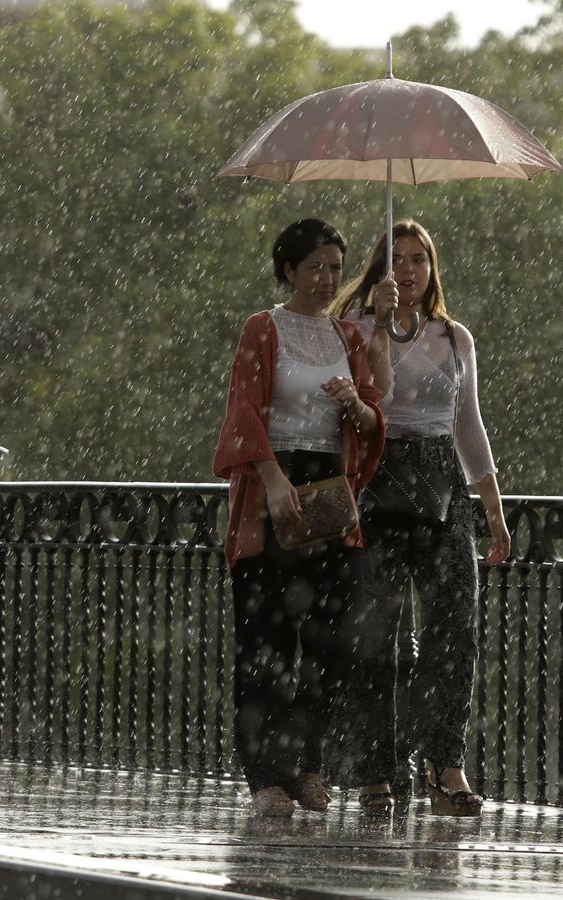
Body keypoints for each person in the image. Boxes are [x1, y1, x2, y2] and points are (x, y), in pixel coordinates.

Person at [331, 219, 512, 817]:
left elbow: (469, 425)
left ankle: (444, 765)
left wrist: (492, 507)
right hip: (378, 479)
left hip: (442, 487)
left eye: (418, 260)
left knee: (453, 632)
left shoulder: (455, 338)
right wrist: (377, 324)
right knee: (375, 636)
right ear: (380, 267)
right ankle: (377, 771)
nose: (408, 270)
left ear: (432, 269)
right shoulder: (354, 328)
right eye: (397, 259)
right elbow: (368, 400)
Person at [212, 218, 389, 817]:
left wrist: (355, 405)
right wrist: (271, 478)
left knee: (329, 643)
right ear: (288, 269)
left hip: (330, 497)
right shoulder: (263, 329)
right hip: (273, 489)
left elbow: (369, 427)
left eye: (336, 267)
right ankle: (266, 775)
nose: (327, 278)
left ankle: (310, 766)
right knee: (264, 643)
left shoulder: (348, 336)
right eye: (315, 266)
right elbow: (244, 410)